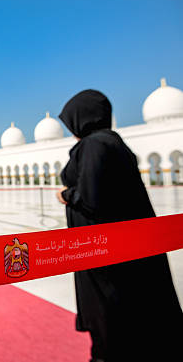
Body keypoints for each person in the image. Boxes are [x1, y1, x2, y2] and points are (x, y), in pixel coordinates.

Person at [56, 89, 182, 361]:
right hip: (123, 252)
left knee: (109, 320)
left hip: (106, 258)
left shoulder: (95, 145)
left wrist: (65, 195)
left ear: (82, 119)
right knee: (132, 318)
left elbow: (92, 198)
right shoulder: (113, 143)